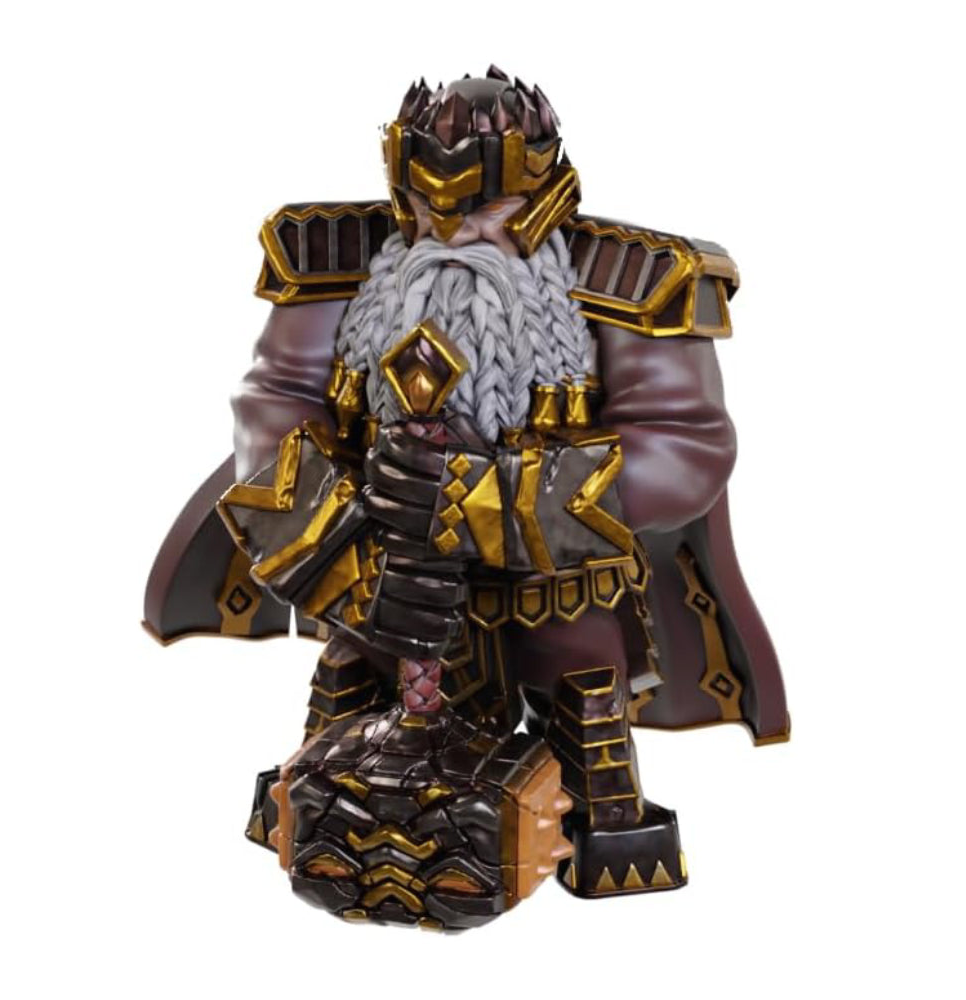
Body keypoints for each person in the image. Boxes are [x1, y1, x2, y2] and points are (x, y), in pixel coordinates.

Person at [145, 66, 788, 921]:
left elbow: (684, 448)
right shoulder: (336, 263)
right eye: (422, 209)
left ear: (545, 195)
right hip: (376, 580)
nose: (447, 233)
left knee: (593, 750)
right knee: (343, 708)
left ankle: (604, 847)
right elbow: (273, 409)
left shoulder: (637, 283)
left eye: (485, 212)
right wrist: (343, 556)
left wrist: (481, 502)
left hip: (556, 589)